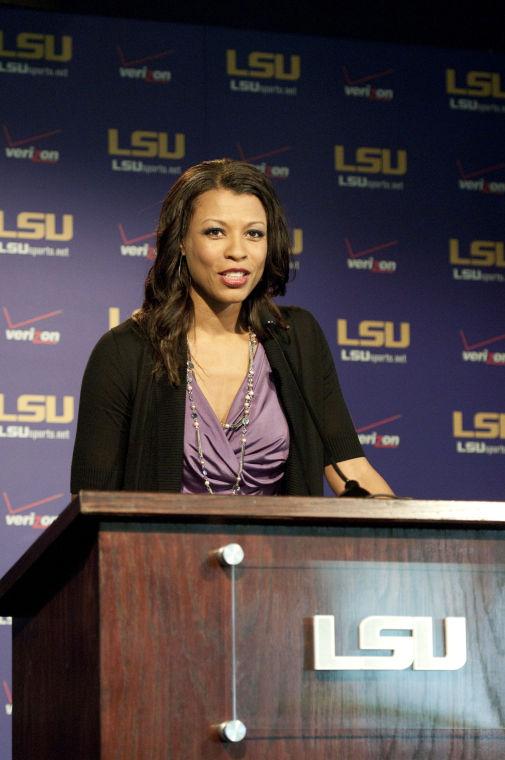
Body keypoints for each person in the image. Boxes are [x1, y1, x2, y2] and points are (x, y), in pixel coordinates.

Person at [71, 159, 393, 497]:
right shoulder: (125, 352)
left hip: (279, 550)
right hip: (161, 550)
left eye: (254, 234)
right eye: (215, 232)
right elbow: (92, 504)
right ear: (181, 241)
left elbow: (352, 469)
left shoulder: (296, 338)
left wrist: (404, 538)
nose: (237, 251)